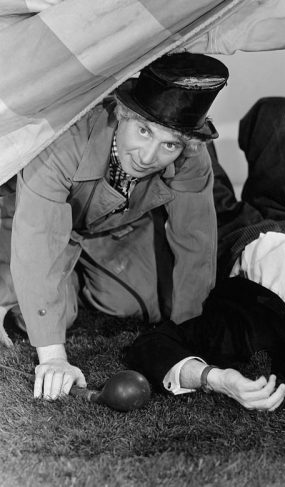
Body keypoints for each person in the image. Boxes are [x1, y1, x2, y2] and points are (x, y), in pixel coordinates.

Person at [124, 97, 285, 410]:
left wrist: (215, 378)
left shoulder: (252, 333)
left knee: (187, 137)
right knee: (277, 111)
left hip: (231, 233)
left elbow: (151, 345)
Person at [0, 52, 228, 401]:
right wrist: (54, 358)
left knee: (134, 306)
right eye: (143, 131)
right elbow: (37, 238)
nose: (148, 157)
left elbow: (196, 241)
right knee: (38, 315)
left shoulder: (191, 157)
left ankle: (66, 281)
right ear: (122, 113)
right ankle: (54, 289)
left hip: (110, 231)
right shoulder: (64, 137)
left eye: (169, 144)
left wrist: (185, 342)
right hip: (24, 221)